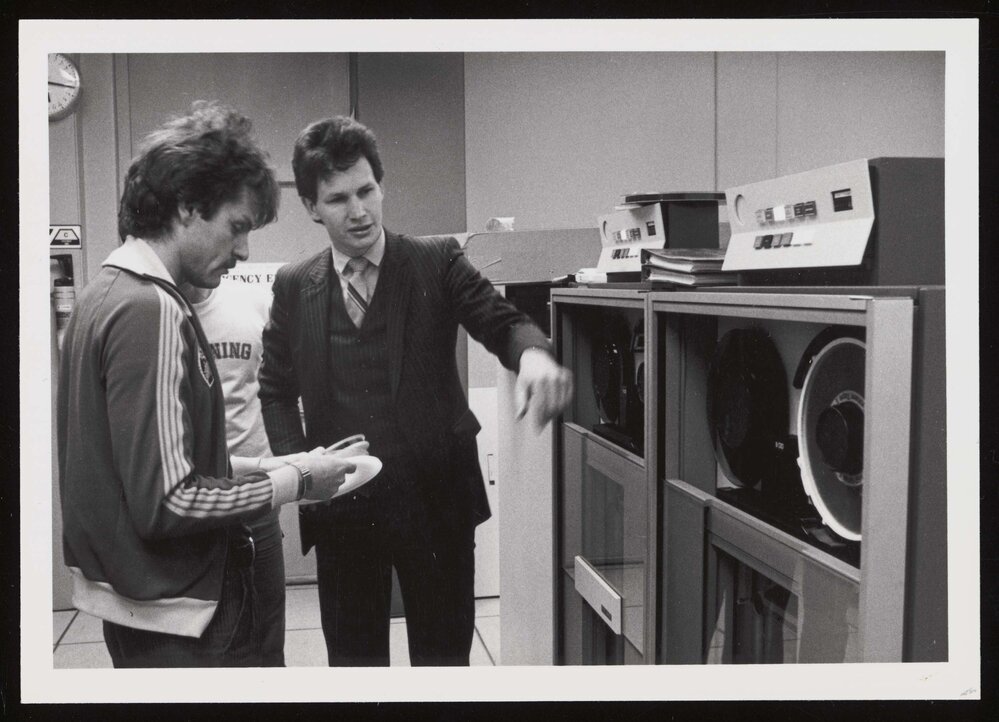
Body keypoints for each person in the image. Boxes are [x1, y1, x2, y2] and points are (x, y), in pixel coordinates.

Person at [258, 115, 574, 666]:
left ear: (381, 186)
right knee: (356, 671)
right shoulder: (293, 285)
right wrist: (303, 470)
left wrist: (534, 355)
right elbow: (275, 387)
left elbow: (500, 321)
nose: (358, 211)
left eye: (367, 190)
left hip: (436, 506)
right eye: (338, 199)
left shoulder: (435, 259)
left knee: (443, 665)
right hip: (344, 511)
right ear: (311, 206)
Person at [56, 101, 361, 668]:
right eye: (238, 226)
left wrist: (273, 465)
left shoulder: (104, 293)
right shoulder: (153, 309)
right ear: (188, 206)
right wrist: (295, 481)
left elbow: (156, 467)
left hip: (134, 602)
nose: (244, 249)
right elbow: (171, 501)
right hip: (183, 613)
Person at [178, 279, 286, 666]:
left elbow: (279, 386)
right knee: (205, 655)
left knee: (267, 644)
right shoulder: (157, 314)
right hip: (189, 505)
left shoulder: (253, 302)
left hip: (256, 498)